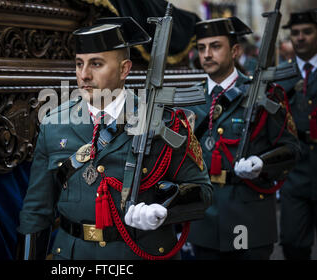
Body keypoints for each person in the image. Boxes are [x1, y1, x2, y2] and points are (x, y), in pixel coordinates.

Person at [18, 16, 213, 260]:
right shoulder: (54, 124)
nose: (84, 75)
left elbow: (203, 191)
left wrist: (164, 208)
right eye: (79, 64)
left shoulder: (165, 122)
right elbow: (36, 211)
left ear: (124, 69)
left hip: (141, 252)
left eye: (96, 64)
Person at [186, 16, 300, 260]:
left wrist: (263, 163)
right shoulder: (189, 99)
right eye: (201, 47)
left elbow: (290, 148)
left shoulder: (264, 94)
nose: (207, 54)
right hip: (204, 220)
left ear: (235, 50)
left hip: (249, 217)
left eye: (215, 46)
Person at [277, 9, 317, 260]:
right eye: (295, 34)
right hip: (296, 169)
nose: (300, 38)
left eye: (307, 32)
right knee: (292, 242)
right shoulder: (283, 74)